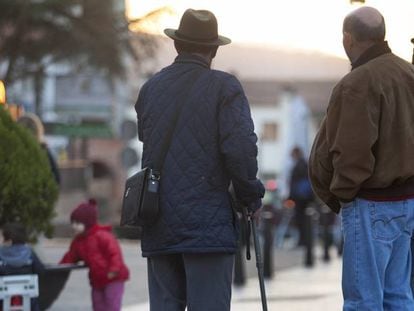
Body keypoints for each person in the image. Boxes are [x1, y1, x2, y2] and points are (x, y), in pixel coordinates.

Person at [135, 8, 264, 311]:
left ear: (177, 45)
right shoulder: (224, 87)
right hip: (207, 225)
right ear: (213, 50)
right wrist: (251, 197)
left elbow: (147, 138)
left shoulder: (150, 89)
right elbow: (240, 149)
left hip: (159, 220)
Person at [309, 6, 414, 310]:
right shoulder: (409, 74)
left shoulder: (357, 83)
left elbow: (352, 155)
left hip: (371, 203)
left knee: (363, 301)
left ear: (348, 38)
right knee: (399, 295)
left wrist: (343, 197)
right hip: (406, 201)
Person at [60, 199, 129, 311]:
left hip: (113, 278)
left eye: (78, 223)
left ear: (87, 223)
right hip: (96, 280)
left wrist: (114, 269)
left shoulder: (102, 236)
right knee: (98, 305)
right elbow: (71, 256)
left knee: (112, 305)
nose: (74, 226)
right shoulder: (78, 241)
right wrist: (61, 266)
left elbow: (114, 252)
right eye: (73, 223)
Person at [0, 222, 44, 311]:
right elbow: (40, 270)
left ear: (9, 241)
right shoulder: (29, 253)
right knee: (34, 298)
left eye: (1, 236)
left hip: (3, 297)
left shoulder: (1, 254)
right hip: (27, 297)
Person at [288, 146, 313, 247]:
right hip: (305, 197)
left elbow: (294, 183)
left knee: (300, 219)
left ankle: (303, 241)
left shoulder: (299, 165)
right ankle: (304, 240)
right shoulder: (305, 164)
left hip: (300, 197)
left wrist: (290, 196)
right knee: (304, 219)